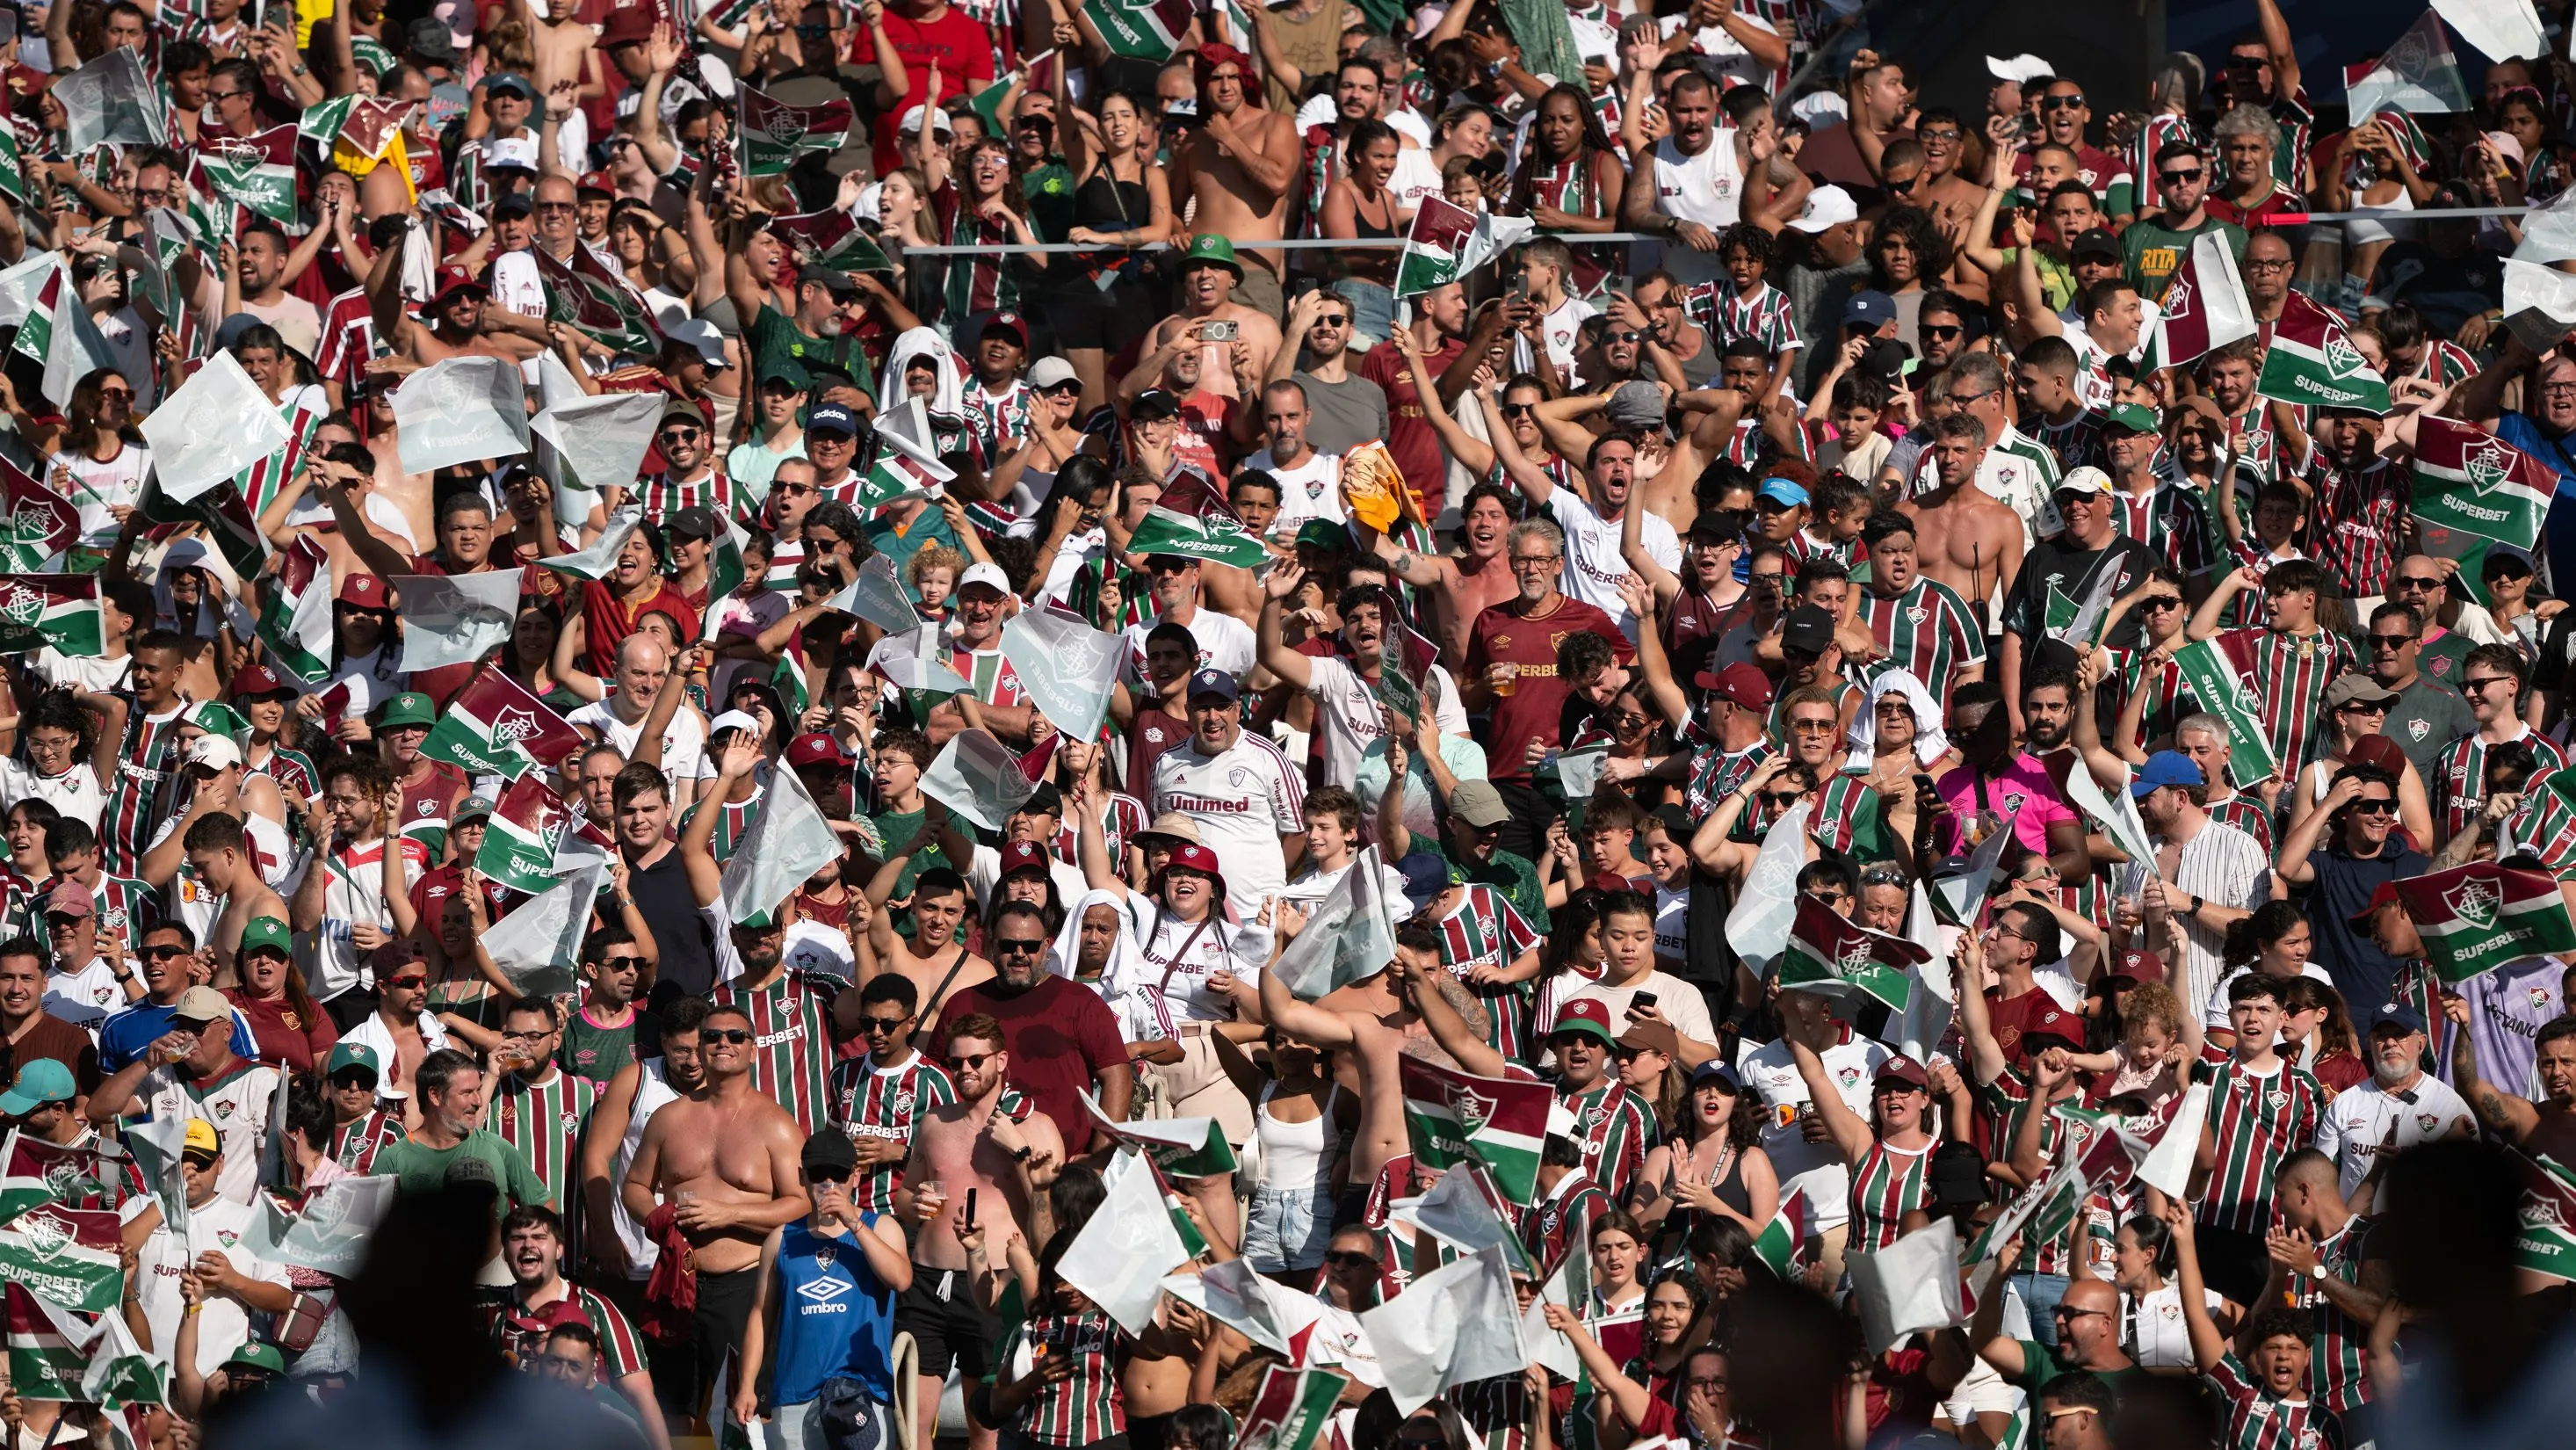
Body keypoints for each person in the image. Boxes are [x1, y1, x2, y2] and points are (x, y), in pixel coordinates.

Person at [621, 1003, 810, 1421]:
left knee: (744, 1414)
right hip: (675, 1280)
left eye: (735, 1036)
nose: (723, 1043)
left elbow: (801, 1203)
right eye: (712, 1036)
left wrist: (729, 1215)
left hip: (744, 1286)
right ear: (700, 1046)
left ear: (753, 1048)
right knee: (670, 1413)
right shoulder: (669, 1118)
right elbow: (634, 1186)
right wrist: (660, 1219)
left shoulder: (775, 1123)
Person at [731, 1131, 912, 1450]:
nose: (828, 1184)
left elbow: (900, 1280)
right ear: (802, 1177)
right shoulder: (780, 1239)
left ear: (856, 1177)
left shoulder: (882, 1228)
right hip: (795, 1394)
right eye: (817, 1174)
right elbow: (760, 1316)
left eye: (839, 1175)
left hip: (864, 1395)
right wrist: (747, 1385)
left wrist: (853, 1223)